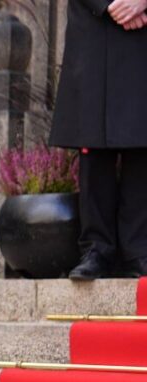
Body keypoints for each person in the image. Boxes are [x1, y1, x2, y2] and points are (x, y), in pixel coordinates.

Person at [50, 0, 147, 279]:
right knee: (93, 144)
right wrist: (109, 4)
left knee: (142, 142)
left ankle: (139, 250)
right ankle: (96, 248)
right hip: (94, 27)